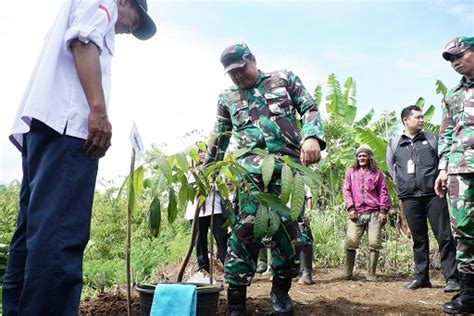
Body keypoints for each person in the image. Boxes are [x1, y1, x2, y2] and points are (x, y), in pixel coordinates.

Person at [2, 1, 156, 315]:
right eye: (134, 20)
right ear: (125, 2)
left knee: (32, 232)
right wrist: (98, 112)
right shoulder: (105, 3)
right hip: (68, 127)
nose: (128, 29)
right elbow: (84, 40)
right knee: (61, 233)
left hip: (43, 127)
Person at [205, 43, 325, 315]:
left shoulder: (283, 79)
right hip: (249, 177)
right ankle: (236, 300)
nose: (238, 77)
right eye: (231, 73)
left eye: (240, 69)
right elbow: (220, 135)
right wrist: (207, 170)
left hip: (287, 171)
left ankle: (280, 293)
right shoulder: (227, 97)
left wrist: (311, 136)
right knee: (243, 233)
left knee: (289, 232)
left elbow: (309, 107)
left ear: (252, 60)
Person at [386, 105, 459, 292]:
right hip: (409, 197)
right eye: (417, 117)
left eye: (422, 117)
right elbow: (392, 169)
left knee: (444, 237)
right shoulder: (395, 143)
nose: (421, 120)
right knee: (419, 239)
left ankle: (452, 278)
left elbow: (443, 160)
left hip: (434, 195)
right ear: (405, 120)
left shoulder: (431, 139)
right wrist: (404, 185)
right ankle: (421, 278)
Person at [435, 37, 474, 314]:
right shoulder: (452, 95)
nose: (455, 62)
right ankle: (469, 294)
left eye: (459, 55)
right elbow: (446, 134)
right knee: (463, 231)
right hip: (460, 172)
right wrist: (442, 169)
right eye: (450, 59)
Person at [342, 144, 390, 281]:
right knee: (351, 242)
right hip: (356, 212)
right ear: (357, 158)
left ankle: (371, 274)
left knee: (374, 243)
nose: (362, 158)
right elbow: (346, 191)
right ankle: (347, 273)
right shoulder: (351, 172)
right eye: (359, 156)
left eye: (364, 155)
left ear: (369, 157)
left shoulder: (378, 173)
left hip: (374, 212)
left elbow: (383, 192)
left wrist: (383, 211)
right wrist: (350, 208)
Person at [185, 148, 229, 274]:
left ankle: (229, 270)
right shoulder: (190, 172)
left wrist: (216, 184)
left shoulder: (216, 169)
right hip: (196, 211)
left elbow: (225, 186)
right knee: (200, 242)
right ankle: (203, 271)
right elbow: (191, 189)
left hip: (215, 209)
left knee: (222, 239)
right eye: (200, 152)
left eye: (205, 151)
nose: (203, 154)